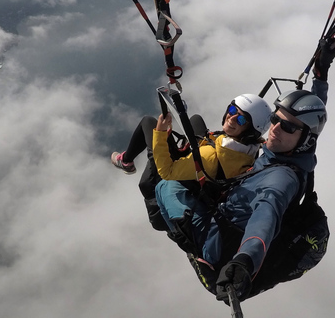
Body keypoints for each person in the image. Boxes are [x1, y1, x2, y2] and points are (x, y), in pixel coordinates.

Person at [155, 37, 335, 301]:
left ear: (304, 137)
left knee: (163, 186)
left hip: (218, 246)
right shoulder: (301, 149)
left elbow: (265, 218)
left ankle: (176, 231)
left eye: (287, 127)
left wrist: (244, 261)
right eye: (276, 119)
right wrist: (322, 71)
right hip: (230, 216)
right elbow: (315, 113)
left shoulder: (280, 180)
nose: (274, 129)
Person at [110, 94, 272, 230]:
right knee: (195, 120)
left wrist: (160, 132)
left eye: (242, 120)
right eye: (232, 110)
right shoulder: (252, 149)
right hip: (203, 181)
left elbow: (166, 171)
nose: (232, 118)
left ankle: (126, 162)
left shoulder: (209, 158)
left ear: (250, 131)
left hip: (163, 198)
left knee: (148, 122)